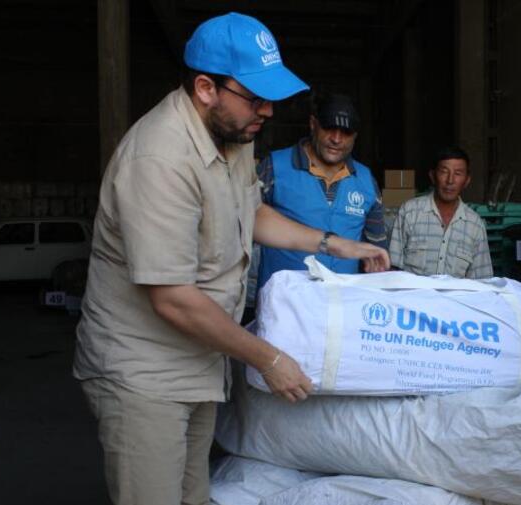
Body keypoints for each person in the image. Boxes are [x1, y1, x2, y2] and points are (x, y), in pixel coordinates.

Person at [72, 13, 389, 505]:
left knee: (195, 494)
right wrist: (269, 358)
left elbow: (251, 211)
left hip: (200, 360)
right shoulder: (159, 160)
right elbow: (173, 299)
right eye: (255, 97)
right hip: (146, 373)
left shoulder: (233, 134)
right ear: (205, 88)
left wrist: (334, 243)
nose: (268, 110)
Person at [255, 92, 385, 289]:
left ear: (355, 136)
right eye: (329, 128)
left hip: (342, 301)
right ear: (313, 124)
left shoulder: (366, 180)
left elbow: (376, 250)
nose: (336, 139)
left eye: (346, 132)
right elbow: (242, 225)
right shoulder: (274, 167)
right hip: (284, 300)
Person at [388, 146, 493, 279]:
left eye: (458, 173)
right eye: (444, 172)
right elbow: (392, 269)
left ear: (467, 181)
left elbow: (482, 280)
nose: (450, 180)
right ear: (432, 176)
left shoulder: (475, 224)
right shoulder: (409, 212)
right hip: (413, 293)